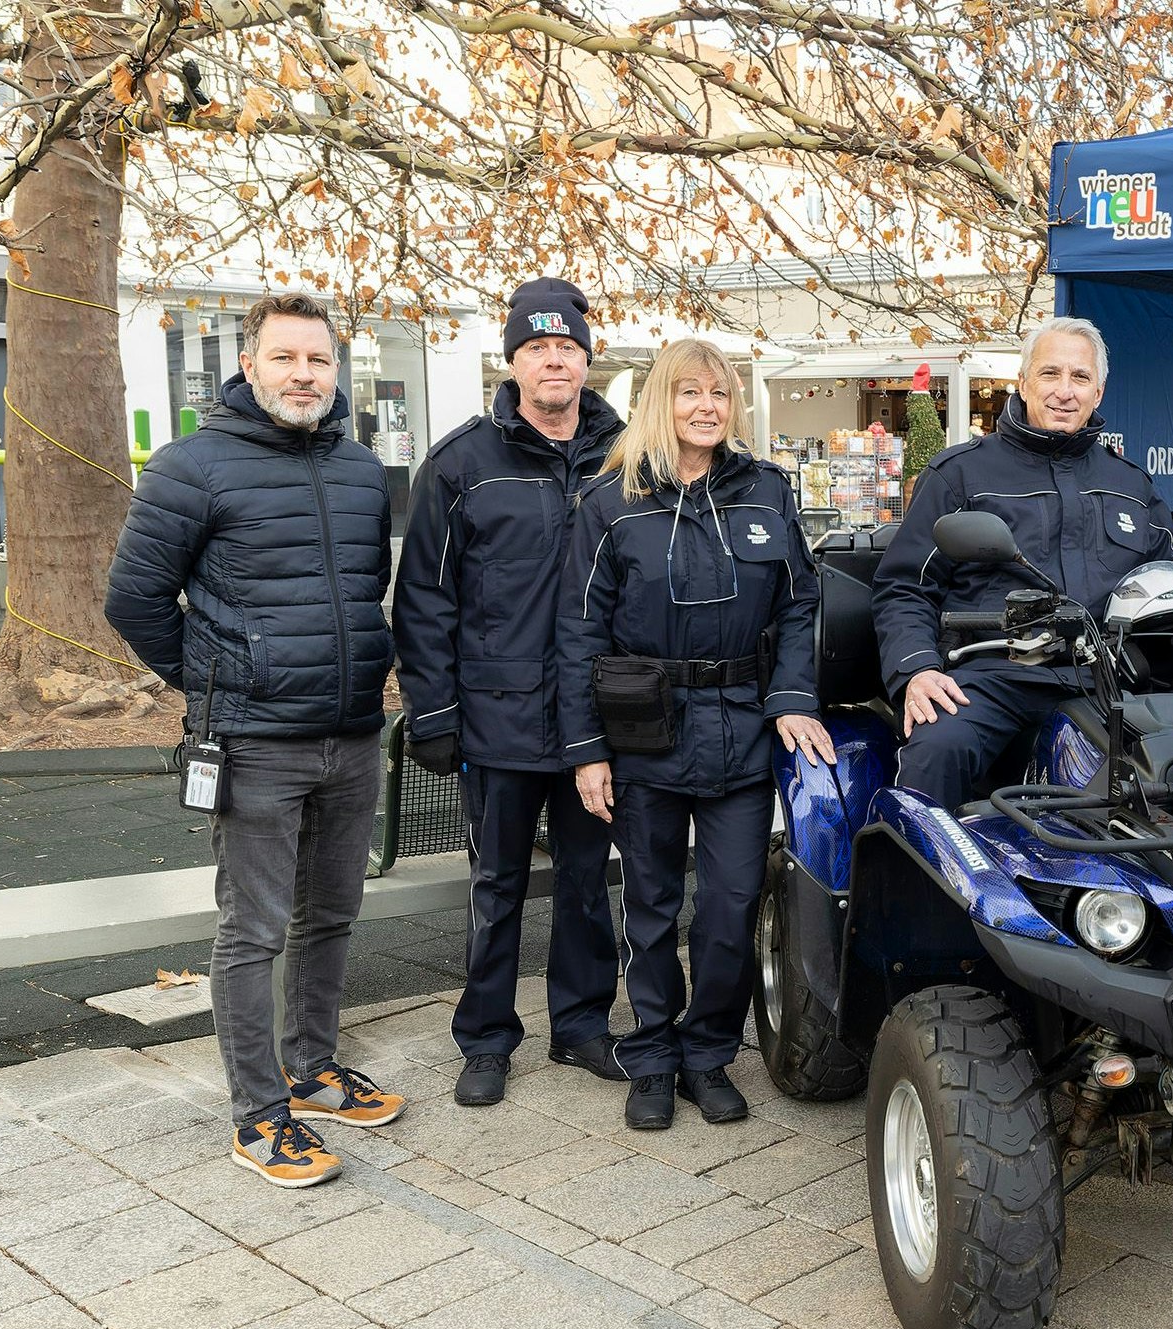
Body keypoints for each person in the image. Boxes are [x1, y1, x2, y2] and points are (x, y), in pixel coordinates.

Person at [105, 293, 404, 1188]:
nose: (304, 374)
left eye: (318, 359)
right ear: (248, 366)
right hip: (253, 743)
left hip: (352, 735)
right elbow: (135, 601)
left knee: (333, 915)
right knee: (254, 931)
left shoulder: (360, 468)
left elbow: (362, 593)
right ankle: (259, 1114)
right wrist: (217, 680)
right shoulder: (190, 467)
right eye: (285, 358)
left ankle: (311, 1068)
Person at [556, 337, 836, 1131]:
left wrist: (790, 698)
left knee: (730, 905)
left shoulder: (767, 494)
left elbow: (797, 607)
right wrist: (587, 750)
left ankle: (708, 1051)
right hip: (644, 733)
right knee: (648, 903)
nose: (705, 407)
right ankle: (651, 1053)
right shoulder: (610, 503)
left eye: (719, 393)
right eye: (689, 393)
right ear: (660, 402)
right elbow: (578, 635)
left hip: (744, 731)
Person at [394, 278, 627, 1108]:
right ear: (514, 361)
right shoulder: (461, 463)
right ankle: (487, 1038)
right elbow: (423, 596)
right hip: (496, 718)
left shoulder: (629, 456)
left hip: (596, 722)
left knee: (586, 880)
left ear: (586, 359)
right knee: (495, 887)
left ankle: (583, 1026)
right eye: (537, 347)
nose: (553, 359)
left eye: (567, 346)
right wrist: (432, 711)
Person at [873, 315, 1173, 807]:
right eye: (1051, 374)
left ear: (1098, 393)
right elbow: (904, 586)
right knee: (936, 751)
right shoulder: (961, 474)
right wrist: (917, 671)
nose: (1065, 391)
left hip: (1100, 680)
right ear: (1023, 383)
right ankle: (915, 882)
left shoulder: (1130, 485)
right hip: (990, 676)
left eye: (1080, 378)